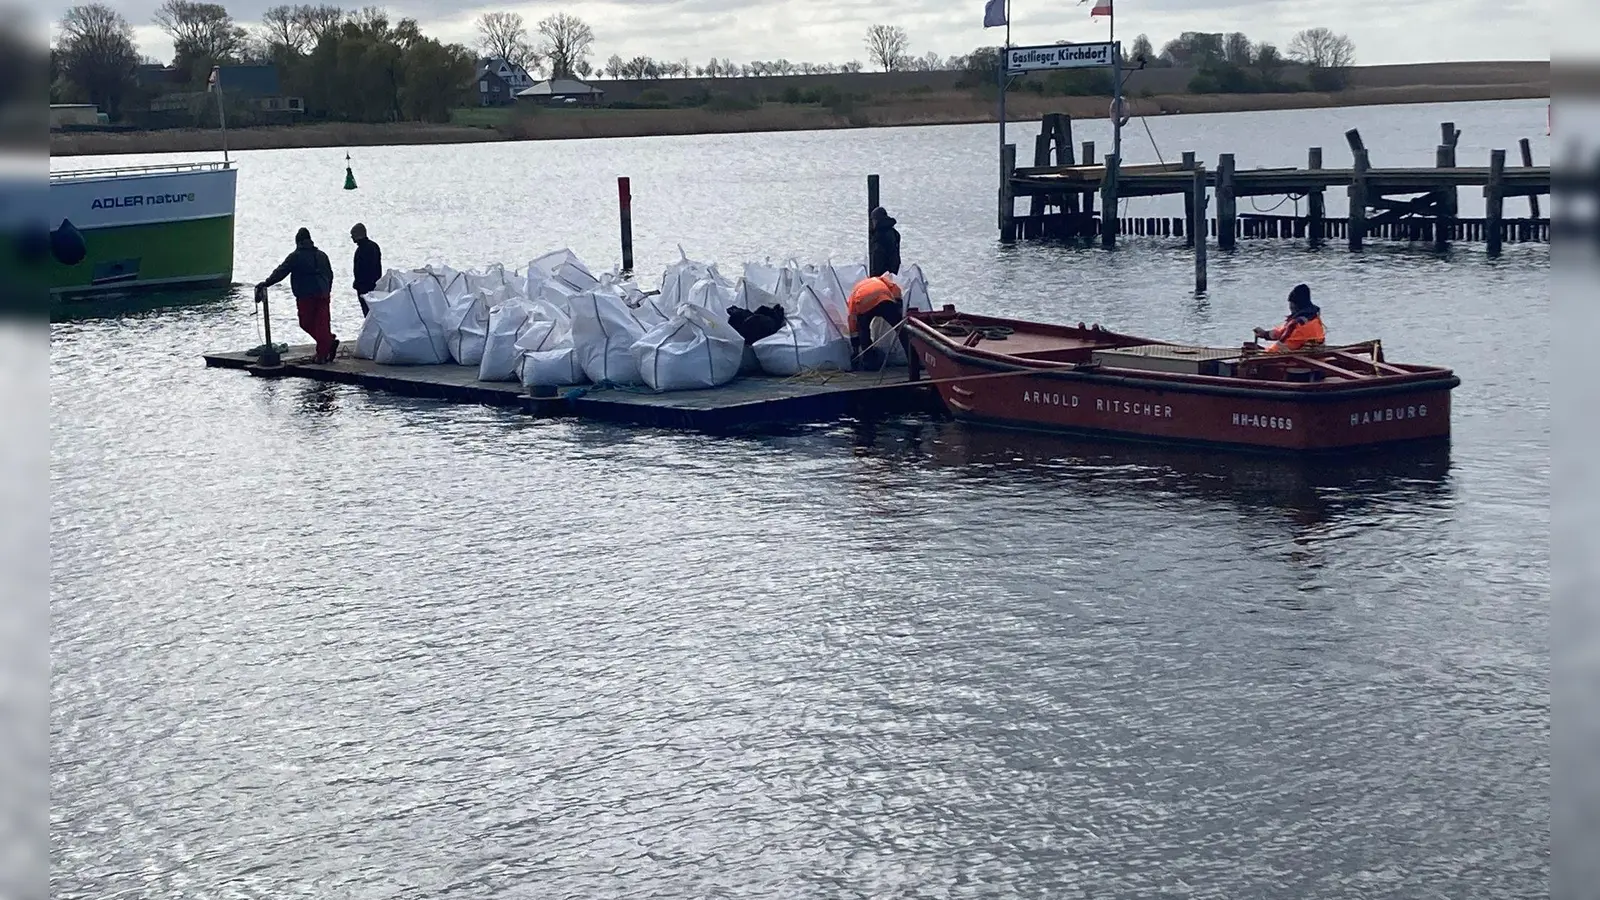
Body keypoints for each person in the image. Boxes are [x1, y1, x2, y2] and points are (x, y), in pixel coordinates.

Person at [257, 227, 338, 363]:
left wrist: (266, 283)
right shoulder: (322, 255)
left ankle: (325, 348)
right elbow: (330, 274)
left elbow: (281, 272)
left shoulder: (296, 256)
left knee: (306, 323)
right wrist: (327, 290)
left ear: (298, 242)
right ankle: (325, 348)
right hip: (323, 294)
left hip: (306, 296)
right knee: (322, 324)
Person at [847, 274, 904, 369]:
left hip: (862, 302)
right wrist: (898, 305)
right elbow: (896, 288)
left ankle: (869, 361)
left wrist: (855, 348)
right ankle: (913, 359)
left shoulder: (854, 294)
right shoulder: (880, 280)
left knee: (863, 330)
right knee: (901, 330)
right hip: (884, 299)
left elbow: (852, 322)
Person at [1253, 283, 1326, 353]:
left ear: (1295, 305)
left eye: (1291, 304)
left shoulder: (1294, 324)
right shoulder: (1314, 318)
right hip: (1316, 353)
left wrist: (1265, 352)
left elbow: (1280, 347)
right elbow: (1282, 332)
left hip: (1295, 359)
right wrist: (1265, 334)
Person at [350, 222, 382, 315]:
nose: (352, 237)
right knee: (372, 312)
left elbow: (363, 269)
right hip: (373, 285)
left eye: (353, 235)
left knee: (368, 312)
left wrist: (359, 284)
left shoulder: (363, 249)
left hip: (365, 287)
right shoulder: (373, 246)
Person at [869, 206, 901, 278]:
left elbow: (878, 256)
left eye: (873, 220)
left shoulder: (879, 235)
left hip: (882, 273)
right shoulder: (894, 233)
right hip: (893, 271)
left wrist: (875, 275)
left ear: (877, 220)